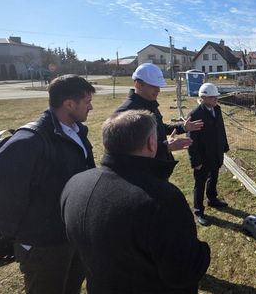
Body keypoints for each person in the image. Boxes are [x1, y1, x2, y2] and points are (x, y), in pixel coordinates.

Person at [61, 110, 211, 293]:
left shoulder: (75, 184)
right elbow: (184, 271)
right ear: (151, 143)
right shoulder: (162, 200)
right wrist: (203, 251)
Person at [0, 75, 96, 294]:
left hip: (71, 235)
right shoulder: (29, 141)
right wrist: (26, 239)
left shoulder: (77, 131)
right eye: (87, 102)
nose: (91, 107)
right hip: (43, 245)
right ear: (69, 104)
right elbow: (4, 195)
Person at [116, 63, 203, 178]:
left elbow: (160, 127)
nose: (158, 90)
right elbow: (130, 151)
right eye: (154, 86)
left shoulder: (149, 104)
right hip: (143, 175)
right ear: (138, 84)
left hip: (156, 168)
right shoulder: (126, 112)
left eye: (159, 86)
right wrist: (166, 147)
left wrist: (183, 127)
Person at [188, 83, 230, 226]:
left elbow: (221, 128)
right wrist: (195, 161)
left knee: (214, 175)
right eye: (212, 98)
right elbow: (191, 140)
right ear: (203, 98)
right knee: (200, 183)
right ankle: (198, 210)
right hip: (203, 156)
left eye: (216, 97)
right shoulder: (195, 114)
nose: (215, 100)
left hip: (215, 152)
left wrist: (224, 145)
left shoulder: (217, 109)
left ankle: (212, 198)